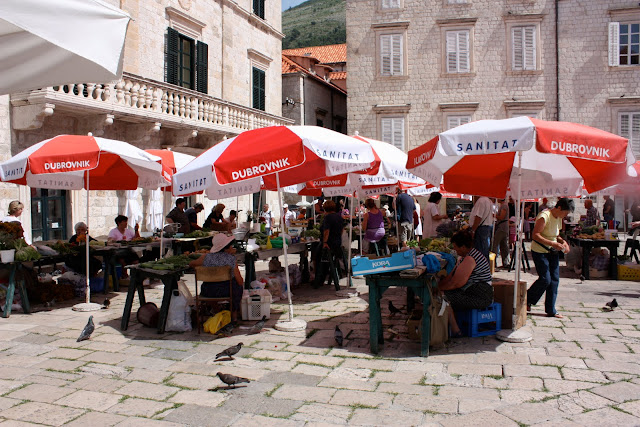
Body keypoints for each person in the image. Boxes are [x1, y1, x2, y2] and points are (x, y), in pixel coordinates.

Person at [438, 230, 493, 337]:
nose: (454, 249)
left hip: (480, 296)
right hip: (472, 292)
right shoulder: (465, 257)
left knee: (443, 297)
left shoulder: (470, 258)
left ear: (463, 247)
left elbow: (456, 283)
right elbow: (452, 276)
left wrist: (439, 289)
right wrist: (440, 285)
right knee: (442, 293)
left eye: (455, 247)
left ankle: (456, 330)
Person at [527, 198, 574, 318]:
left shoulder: (558, 218)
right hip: (540, 251)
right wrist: (552, 243)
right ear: (559, 208)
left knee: (554, 280)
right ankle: (527, 299)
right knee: (545, 279)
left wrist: (563, 242)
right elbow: (535, 235)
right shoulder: (544, 216)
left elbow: (556, 235)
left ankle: (551, 309)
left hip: (552, 252)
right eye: (565, 212)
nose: (565, 215)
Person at [189, 233, 244, 323]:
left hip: (209, 291)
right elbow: (240, 281)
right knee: (238, 286)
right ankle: (234, 314)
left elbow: (192, 264)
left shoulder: (205, 257)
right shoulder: (231, 259)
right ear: (227, 247)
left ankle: (216, 310)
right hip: (227, 291)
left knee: (208, 284)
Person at [313, 200, 347, 287]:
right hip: (337, 242)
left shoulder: (328, 217)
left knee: (317, 257)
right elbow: (342, 229)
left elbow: (326, 231)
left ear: (325, 208)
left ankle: (318, 279)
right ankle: (323, 278)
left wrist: (325, 242)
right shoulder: (339, 216)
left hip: (329, 243)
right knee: (325, 259)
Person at [492, 198, 510, 268]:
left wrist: (494, 215)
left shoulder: (504, 206)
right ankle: (505, 262)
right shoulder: (503, 205)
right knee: (503, 245)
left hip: (502, 227)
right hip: (503, 227)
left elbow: (502, 217)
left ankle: (494, 262)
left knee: (495, 244)